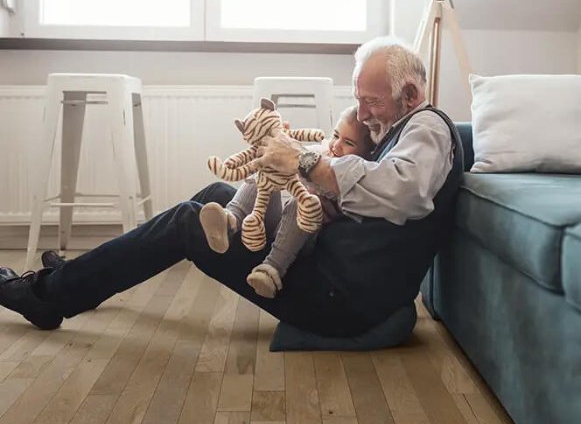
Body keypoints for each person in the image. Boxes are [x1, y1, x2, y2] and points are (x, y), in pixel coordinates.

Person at [0, 36, 463, 338]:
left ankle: (47, 297)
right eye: (358, 100)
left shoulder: (428, 127)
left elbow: (405, 191)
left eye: (371, 102)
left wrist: (303, 162)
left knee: (188, 224)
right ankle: (80, 279)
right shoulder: (397, 126)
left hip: (340, 296)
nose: (361, 115)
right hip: (329, 267)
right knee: (215, 197)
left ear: (411, 95)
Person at [199, 105, 374, 299]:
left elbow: (327, 187)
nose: (336, 145)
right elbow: (297, 154)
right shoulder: (323, 152)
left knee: (302, 203)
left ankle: (271, 270)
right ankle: (229, 220)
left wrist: (307, 174)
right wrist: (281, 147)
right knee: (265, 174)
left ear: (364, 155)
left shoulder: (351, 177)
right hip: (280, 228)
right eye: (335, 135)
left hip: (301, 242)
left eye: (348, 142)